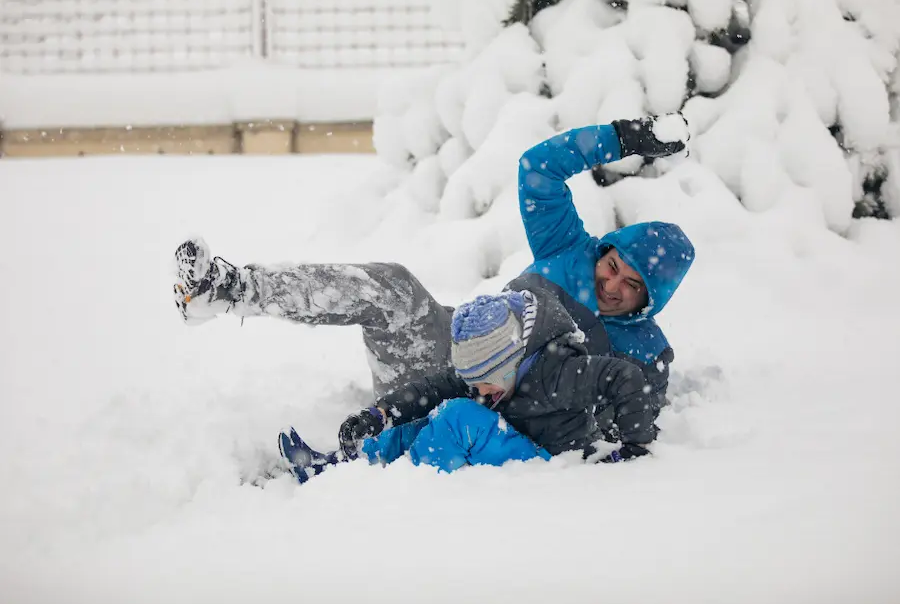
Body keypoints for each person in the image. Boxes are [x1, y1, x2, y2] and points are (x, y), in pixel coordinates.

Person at [174, 116, 694, 447]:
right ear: (604, 253)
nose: (612, 285)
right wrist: (625, 138)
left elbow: (631, 414)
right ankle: (230, 289)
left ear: (654, 300)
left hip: (488, 416)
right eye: (612, 267)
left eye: (632, 286)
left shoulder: (645, 349)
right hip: (444, 357)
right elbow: (538, 168)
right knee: (393, 286)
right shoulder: (566, 250)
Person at [277, 289, 659, 484]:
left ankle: (403, 486)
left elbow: (626, 379)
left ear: (511, 361)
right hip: (515, 441)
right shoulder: (492, 372)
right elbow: (435, 387)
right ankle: (345, 466)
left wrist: (635, 446)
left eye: (486, 383)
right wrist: (379, 415)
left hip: (550, 463)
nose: (479, 391)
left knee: (459, 417)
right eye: (473, 382)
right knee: (434, 415)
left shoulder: (557, 371)